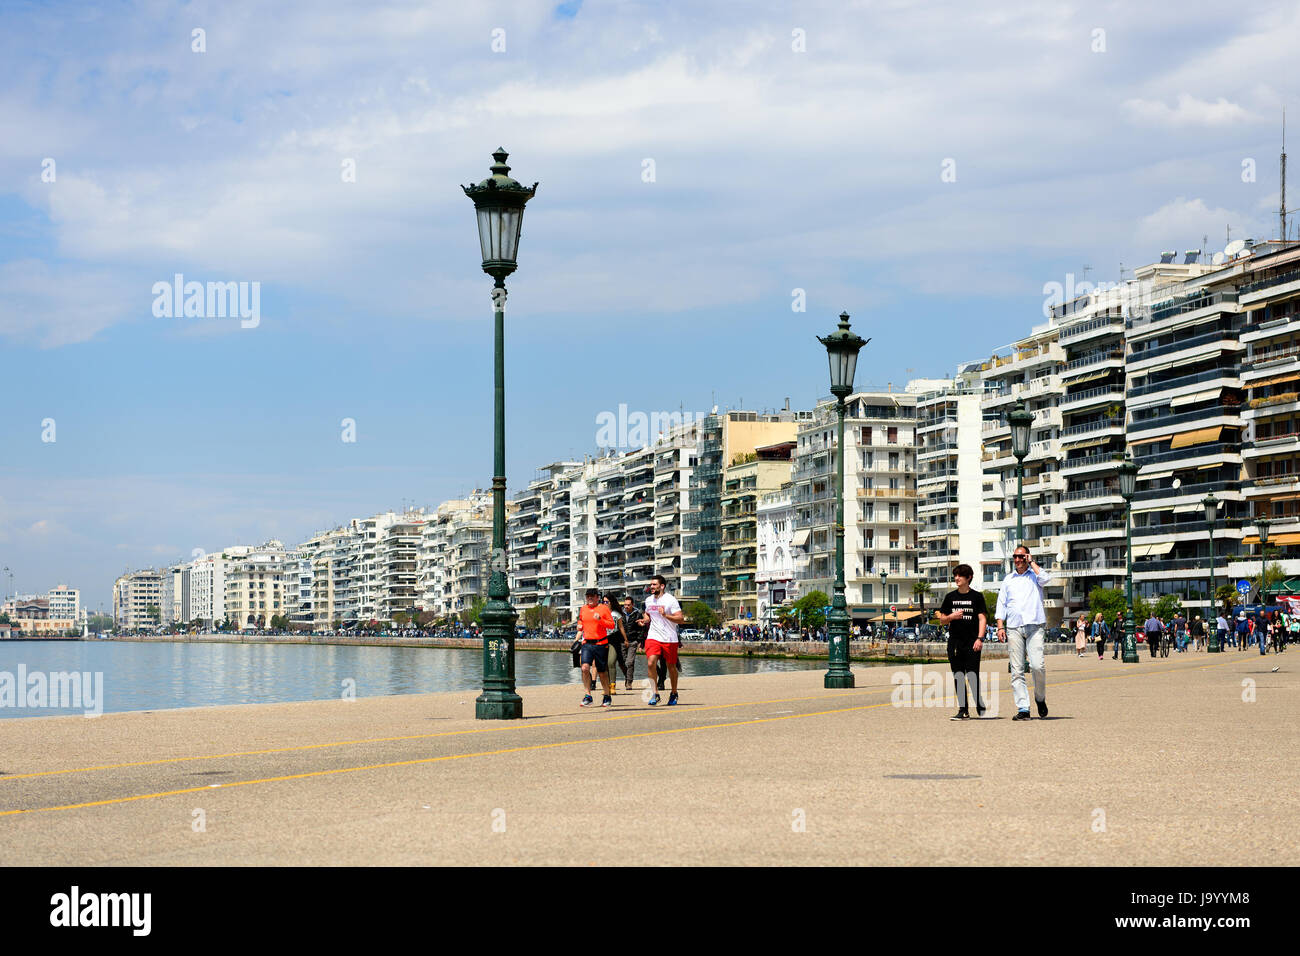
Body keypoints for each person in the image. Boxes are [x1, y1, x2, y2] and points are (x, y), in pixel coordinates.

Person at [995, 545, 1051, 720]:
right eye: (1015, 557)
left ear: (1027, 556)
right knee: (1017, 670)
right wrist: (1000, 626)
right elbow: (1001, 603)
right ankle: (1023, 708)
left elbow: (1046, 578)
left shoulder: (1035, 576)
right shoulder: (1008, 579)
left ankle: (1040, 698)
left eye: (1021, 556)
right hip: (1013, 627)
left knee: (1037, 666)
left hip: (1035, 625)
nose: (1018, 560)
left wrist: (1032, 562)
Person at [938, 564, 987, 720]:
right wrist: (952, 617)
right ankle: (963, 710)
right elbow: (942, 620)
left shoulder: (977, 597)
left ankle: (978, 701)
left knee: (972, 675)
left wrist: (980, 639)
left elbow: (982, 618)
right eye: (955, 575)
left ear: (969, 578)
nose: (957, 578)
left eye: (960, 575)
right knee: (958, 675)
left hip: (972, 642)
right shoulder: (950, 597)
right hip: (955, 643)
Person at [642, 574, 685, 706]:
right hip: (653, 636)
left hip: (669, 638)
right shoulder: (648, 600)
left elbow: (681, 619)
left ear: (662, 586)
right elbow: (647, 612)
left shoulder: (670, 600)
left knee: (671, 666)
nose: (651, 587)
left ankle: (673, 692)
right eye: (651, 584)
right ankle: (655, 694)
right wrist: (646, 619)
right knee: (651, 663)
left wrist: (665, 615)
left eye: (654, 585)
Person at [575, 588, 615, 708]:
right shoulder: (583, 609)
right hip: (587, 643)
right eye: (588, 596)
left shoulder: (603, 608)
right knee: (585, 668)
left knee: (602, 672)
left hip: (601, 644)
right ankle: (588, 696)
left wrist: (600, 620)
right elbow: (581, 621)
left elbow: (612, 625)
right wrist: (579, 626)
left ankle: (607, 696)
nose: (590, 598)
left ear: (598, 597)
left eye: (592, 596)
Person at [618, 593, 646, 690]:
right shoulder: (620, 614)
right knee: (622, 663)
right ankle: (627, 677)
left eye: (628, 605)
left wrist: (639, 641)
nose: (626, 606)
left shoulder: (638, 613)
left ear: (632, 605)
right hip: (622, 641)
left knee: (630, 662)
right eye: (625, 605)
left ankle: (629, 682)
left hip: (633, 641)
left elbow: (642, 628)